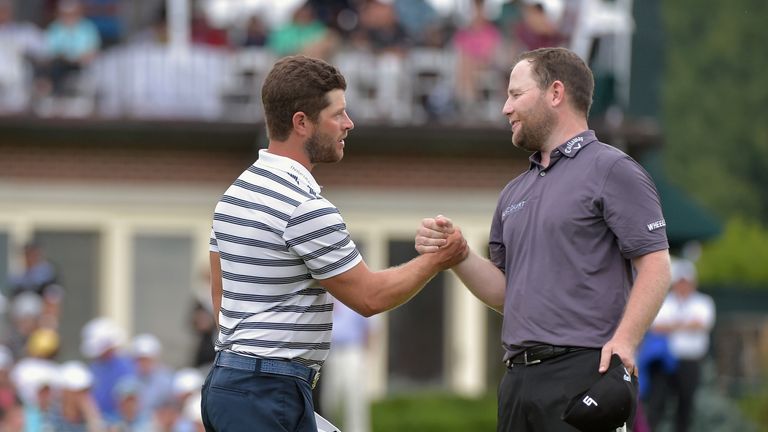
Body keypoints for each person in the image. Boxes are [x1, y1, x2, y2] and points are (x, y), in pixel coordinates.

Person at [201, 54, 467, 432]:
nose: (349, 123)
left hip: (232, 382)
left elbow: (220, 297)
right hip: (267, 389)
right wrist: (438, 258)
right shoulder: (305, 207)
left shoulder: (235, 193)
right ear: (301, 123)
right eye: (338, 114)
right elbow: (369, 297)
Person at [415, 47, 671, 432]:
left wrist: (626, 341)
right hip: (517, 381)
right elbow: (506, 294)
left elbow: (656, 264)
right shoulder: (513, 192)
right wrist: (459, 255)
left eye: (516, 94)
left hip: (585, 374)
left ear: (555, 93)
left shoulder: (613, 168)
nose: (505, 108)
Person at [645, 258, 715, 432]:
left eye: (686, 282)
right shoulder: (664, 301)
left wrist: (672, 326)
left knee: (685, 404)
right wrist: (685, 325)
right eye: (680, 282)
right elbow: (656, 327)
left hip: (689, 361)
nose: (683, 286)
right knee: (657, 402)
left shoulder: (703, 302)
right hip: (664, 360)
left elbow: (701, 324)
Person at [321, 298, 372, 432]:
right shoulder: (328, 298)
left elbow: (369, 329)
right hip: (330, 353)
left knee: (354, 400)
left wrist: (366, 356)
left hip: (352, 351)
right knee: (330, 401)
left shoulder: (356, 298)